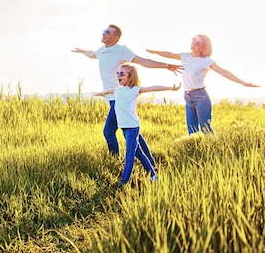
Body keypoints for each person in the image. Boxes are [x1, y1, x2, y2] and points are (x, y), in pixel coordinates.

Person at [72, 24, 182, 167]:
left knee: (109, 132)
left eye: (107, 32)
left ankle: (114, 162)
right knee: (133, 132)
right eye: (103, 31)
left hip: (119, 98)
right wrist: (81, 51)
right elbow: (91, 53)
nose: (103, 34)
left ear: (115, 37)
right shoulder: (101, 51)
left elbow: (143, 61)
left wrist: (166, 65)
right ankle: (152, 164)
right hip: (112, 98)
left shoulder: (121, 50)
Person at [147, 34, 259, 135]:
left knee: (206, 129)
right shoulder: (185, 57)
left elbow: (224, 72)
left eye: (198, 42)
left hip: (200, 97)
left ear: (203, 47)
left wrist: (243, 83)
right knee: (192, 131)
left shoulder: (206, 61)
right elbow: (169, 54)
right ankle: (197, 153)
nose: (194, 44)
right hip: (188, 97)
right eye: (193, 40)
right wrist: (154, 52)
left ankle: (213, 151)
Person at [95, 63, 181, 187]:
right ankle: (153, 175)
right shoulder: (118, 90)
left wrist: (171, 88)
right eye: (117, 73)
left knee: (129, 153)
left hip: (132, 128)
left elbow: (152, 88)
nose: (118, 75)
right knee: (138, 153)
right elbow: (108, 91)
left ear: (130, 77)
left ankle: (124, 181)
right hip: (124, 127)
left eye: (121, 73)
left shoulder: (134, 90)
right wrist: (101, 93)